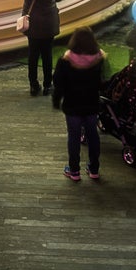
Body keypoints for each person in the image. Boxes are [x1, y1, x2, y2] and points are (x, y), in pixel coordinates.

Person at [52, 26, 107, 181]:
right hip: (91, 105)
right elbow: (102, 83)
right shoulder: (99, 59)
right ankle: (94, 169)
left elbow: (58, 83)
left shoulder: (65, 61)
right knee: (93, 136)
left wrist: (56, 101)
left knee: (74, 137)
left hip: (72, 106)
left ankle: (74, 171)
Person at [20, 0, 64, 97]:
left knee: (33, 54)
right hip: (48, 22)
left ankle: (33, 85)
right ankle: (47, 85)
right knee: (47, 54)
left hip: (32, 21)